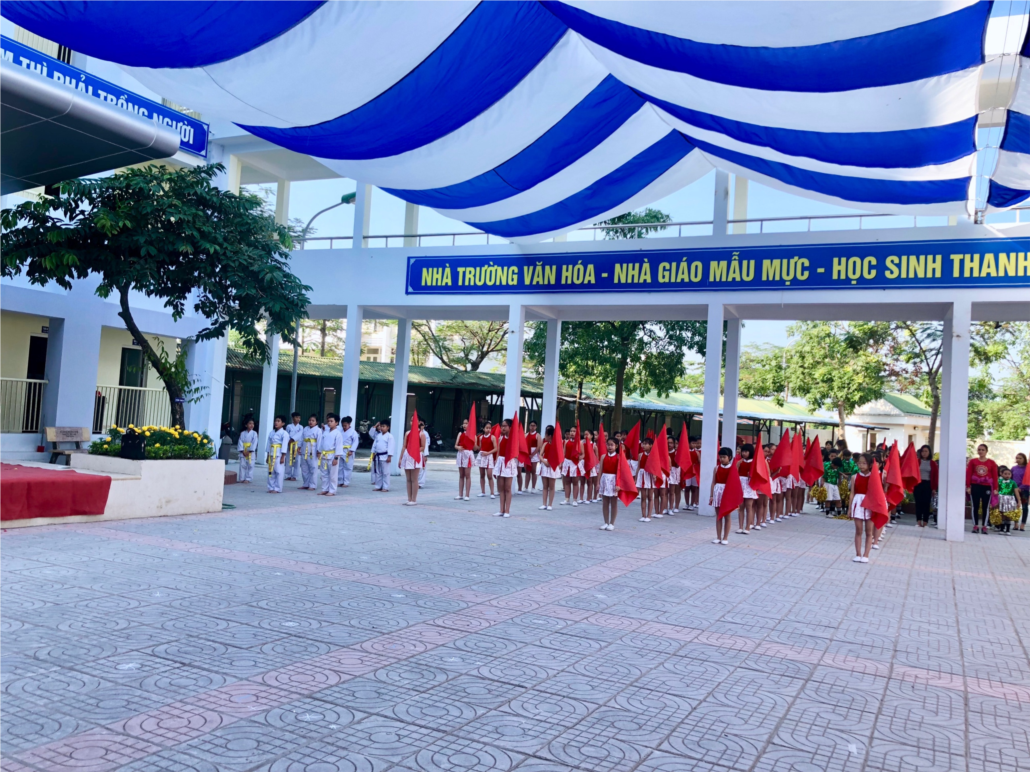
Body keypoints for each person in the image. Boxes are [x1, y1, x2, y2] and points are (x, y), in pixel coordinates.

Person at [966, 443, 999, 534]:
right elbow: (968, 474)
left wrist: (995, 488)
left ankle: (984, 526)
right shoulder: (973, 461)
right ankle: (975, 525)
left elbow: (995, 476)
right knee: (975, 506)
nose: (981, 451)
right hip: (975, 485)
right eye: (979, 449)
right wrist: (968, 486)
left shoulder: (992, 462)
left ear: (986, 451)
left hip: (986, 486)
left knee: (986, 507)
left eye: (983, 450)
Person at [849, 453, 875, 563]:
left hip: (870, 504)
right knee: (858, 530)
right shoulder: (854, 477)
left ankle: (866, 555)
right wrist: (849, 509)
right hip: (858, 503)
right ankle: (858, 554)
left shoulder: (874, 477)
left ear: (870, 464)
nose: (861, 465)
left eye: (864, 463)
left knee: (869, 531)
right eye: (859, 463)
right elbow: (852, 493)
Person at [710, 447, 735, 544]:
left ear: (729, 457)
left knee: (727, 516)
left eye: (724, 457)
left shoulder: (732, 469)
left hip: (727, 492)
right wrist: (711, 495)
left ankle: (725, 537)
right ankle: (718, 537)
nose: (722, 459)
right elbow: (713, 482)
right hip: (717, 491)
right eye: (720, 457)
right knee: (718, 515)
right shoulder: (716, 468)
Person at [493, 419, 518, 517]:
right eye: (502, 426)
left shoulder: (514, 440)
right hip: (501, 462)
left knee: (507, 488)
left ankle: (507, 510)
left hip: (509, 463)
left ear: (510, 427)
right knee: (501, 488)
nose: (503, 428)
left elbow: (516, 454)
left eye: (505, 426)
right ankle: (501, 510)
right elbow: (498, 452)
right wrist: (496, 464)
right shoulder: (500, 438)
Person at [399, 419, 426, 506]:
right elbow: (404, 446)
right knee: (408, 479)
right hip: (407, 456)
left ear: (419, 423)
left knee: (414, 479)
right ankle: (409, 499)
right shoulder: (407, 433)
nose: (412, 422)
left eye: (414, 420)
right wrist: (400, 458)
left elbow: (423, 447)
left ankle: (414, 499)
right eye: (411, 421)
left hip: (416, 456)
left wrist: (414, 450)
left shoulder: (421, 434)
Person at [636, 436, 662, 522]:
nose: (643, 446)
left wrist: (655, 475)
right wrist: (636, 478)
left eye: (646, 444)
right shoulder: (640, 455)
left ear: (651, 445)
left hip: (650, 475)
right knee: (643, 497)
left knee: (650, 496)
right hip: (642, 475)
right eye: (643, 444)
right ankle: (643, 515)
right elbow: (638, 467)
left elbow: (657, 466)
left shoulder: (654, 455)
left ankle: (649, 515)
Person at [318, 414, 343, 496]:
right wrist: (319, 452)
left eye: (331, 421)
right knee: (324, 474)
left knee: (333, 475)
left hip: (332, 456)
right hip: (324, 455)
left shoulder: (338, 433)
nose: (329, 423)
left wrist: (336, 458)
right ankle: (324, 489)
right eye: (328, 421)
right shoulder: (325, 432)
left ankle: (332, 490)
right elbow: (322, 444)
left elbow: (338, 446)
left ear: (336, 423)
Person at [913, 445, 938, 528]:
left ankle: (925, 522)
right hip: (918, 484)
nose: (924, 453)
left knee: (926, 504)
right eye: (923, 451)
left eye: (926, 451)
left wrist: (934, 488)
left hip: (928, 484)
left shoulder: (933, 463)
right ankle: (918, 521)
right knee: (918, 503)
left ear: (929, 452)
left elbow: (935, 476)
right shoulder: (917, 462)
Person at [598, 437, 620, 531]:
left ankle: (612, 523)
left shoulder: (618, 457)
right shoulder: (603, 457)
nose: (610, 447)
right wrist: (598, 483)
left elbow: (620, 471)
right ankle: (606, 522)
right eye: (608, 445)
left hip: (614, 480)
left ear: (616, 446)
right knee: (605, 502)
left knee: (614, 503)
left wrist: (618, 484)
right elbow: (600, 470)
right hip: (604, 479)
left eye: (612, 445)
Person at [736, 443, 757, 534]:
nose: (744, 453)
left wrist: (751, 475)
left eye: (746, 451)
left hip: (749, 485)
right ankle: (740, 527)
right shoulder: (739, 462)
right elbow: (735, 474)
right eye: (743, 452)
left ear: (750, 452)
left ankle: (748, 527)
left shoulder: (754, 463)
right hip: (741, 484)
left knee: (749, 506)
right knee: (741, 507)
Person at [266, 416, 289, 493]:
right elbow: (268, 444)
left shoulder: (284, 433)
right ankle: (271, 487)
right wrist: (268, 455)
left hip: (279, 454)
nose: (276, 422)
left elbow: (285, 445)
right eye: (275, 421)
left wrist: (283, 456)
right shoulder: (271, 432)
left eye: (278, 421)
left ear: (283, 423)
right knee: (271, 471)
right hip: (271, 453)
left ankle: (277, 488)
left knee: (279, 471)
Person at [538, 425, 559, 511]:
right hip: (545, 464)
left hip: (552, 465)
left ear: (550, 436)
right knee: (545, 486)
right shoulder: (545, 444)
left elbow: (557, 455)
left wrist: (550, 462)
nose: (545, 436)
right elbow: (540, 454)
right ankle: (544, 504)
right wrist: (544, 461)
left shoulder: (556, 445)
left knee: (551, 486)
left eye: (546, 434)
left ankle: (550, 504)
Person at [370, 419, 395, 492]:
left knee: (385, 472)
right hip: (378, 456)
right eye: (381, 426)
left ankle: (385, 487)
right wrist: (373, 453)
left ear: (388, 427)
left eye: (383, 426)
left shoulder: (390, 436)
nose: (381, 428)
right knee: (378, 472)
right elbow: (374, 445)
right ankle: (378, 486)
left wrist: (389, 456)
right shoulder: (378, 436)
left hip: (385, 456)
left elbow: (391, 446)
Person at [455, 418, 475, 501]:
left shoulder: (472, 435)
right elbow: (455, 445)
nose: (464, 425)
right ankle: (460, 494)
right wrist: (458, 447)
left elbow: (475, 447)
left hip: (468, 455)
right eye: (464, 423)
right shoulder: (460, 434)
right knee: (461, 475)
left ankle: (467, 495)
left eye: (466, 423)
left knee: (467, 475)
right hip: (461, 454)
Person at [300, 414, 322, 490]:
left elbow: (319, 441)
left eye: (313, 420)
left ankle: (312, 485)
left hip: (313, 451)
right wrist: (299, 446)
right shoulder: (305, 428)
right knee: (304, 468)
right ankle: (306, 484)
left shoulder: (318, 430)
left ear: (316, 422)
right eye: (309, 420)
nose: (311, 422)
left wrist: (319, 451)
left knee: (313, 468)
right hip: (304, 450)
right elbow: (301, 438)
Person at [561, 428, 582, 506]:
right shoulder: (566, 442)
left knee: (575, 482)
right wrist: (561, 463)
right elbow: (563, 453)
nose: (572, 433)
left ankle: (575, 500)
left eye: (574, 431)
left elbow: (583, 454)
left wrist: (578, 458)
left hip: (575, 463)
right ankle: (567, 499)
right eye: (571, 431)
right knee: (567, 482)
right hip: (567, 463)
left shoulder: (580, 443)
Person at [998, 466, 1022, 534]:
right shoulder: (999, 481)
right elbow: (996, 490)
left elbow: (1016, 492)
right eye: (1005, 474)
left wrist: (1019, 501)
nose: (1007, 475)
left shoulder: (1013, 482)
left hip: (1010, 499)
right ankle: (1002, 529)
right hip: (1001, 499)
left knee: (1008, 514)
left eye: (1009, 474)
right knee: (1002, 514)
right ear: (1002, 474)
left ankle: (1008, 530)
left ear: (1011, 475)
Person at [476, 421, 497, 499]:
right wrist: (475, 445)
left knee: (489, 475)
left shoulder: (492, 437)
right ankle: (483, 492)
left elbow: (496, 448)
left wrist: (488, 453)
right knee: (482, 475)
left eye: (489, 428)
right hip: (482, 456)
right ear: (484, 429)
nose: (488, 429)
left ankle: (492, 493)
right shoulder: (481, 437)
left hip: (489, 457)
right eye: (487, 428)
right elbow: (479, 447)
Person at [337, 416, 359, 488]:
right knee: (340, 467)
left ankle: (346, 482)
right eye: (343, 425)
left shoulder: (353, 432)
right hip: (340, 450)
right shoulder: (340, 431)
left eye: (345, 425)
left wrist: (352, 450)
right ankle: (340, 481)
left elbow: (355, 442)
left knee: (348, 467)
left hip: (348, 451)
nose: (344, 427)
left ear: (349, 424)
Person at [237, 417, 257, 483]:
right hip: (243, 450)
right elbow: (240, 442)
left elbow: (254, 443)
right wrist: (242, 451)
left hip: (250, 451)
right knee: (242, 465)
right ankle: (242, 478)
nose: (252, 425)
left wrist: (250, 451)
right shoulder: (242, 433)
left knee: (250, 465)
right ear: (246, 425)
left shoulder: (254, 433)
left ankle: (248, 478)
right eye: (250, 423)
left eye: (253, 424)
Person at [284, 412, 304, 481]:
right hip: (289, 444)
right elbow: (287, 436)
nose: (298, 419)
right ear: (293, 418)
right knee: (288, 459)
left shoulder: (301, 427)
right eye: (296, 417)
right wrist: (289, 443)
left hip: (297, 444)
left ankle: (295, 476)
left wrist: (294, 441)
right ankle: (288, 475)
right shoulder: (289, 426)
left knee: (297, 461)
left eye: (299, 418)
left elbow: (300, 436)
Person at [823, 452, 842, 516]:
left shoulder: (837, 468)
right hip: (828, 484)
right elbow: (823, 477)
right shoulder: (827, 467)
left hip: (835, 484)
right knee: (828, 499)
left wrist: (839, 483)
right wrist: (821, 485)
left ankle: (839, 514)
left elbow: (838, 475)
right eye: (836, 466)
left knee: (838, 499)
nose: (837, 468)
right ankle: (827, 513)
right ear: (833, 464)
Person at [1013, 452, 1028, 532]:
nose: (1018, 459)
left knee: (1024, 507)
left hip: (1025, 490)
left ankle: (1022, 524)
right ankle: (1016, 523)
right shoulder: (1013, 468)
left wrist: (1021, 488)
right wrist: (1015, 488)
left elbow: (1028, 480)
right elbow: (1010, 478)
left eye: (1020, 458)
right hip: (1015, 490)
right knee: (1016, 506)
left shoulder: (1028, 468)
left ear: (1024, 459)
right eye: (1017, 458)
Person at [524, 421, 540, 494]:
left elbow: (538, 446)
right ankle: (526, 487)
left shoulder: (537, 435)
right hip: (527, 453)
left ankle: (533, 487)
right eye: (531, 425)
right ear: (529, 426)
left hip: (534, 454)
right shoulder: (526, 435)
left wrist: (533, 454)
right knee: (527, 471)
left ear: (536, 427)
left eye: (534, 425)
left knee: (533, 471)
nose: (532, 427)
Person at [417, 420, 430, 489]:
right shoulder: (412, 432)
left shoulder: (424, 434)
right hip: (414, 453)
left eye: (422, 424)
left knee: (422, 469)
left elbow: (426, 444)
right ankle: (415, 482)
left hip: (421, 452)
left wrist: (425, 455)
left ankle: (420, 483)